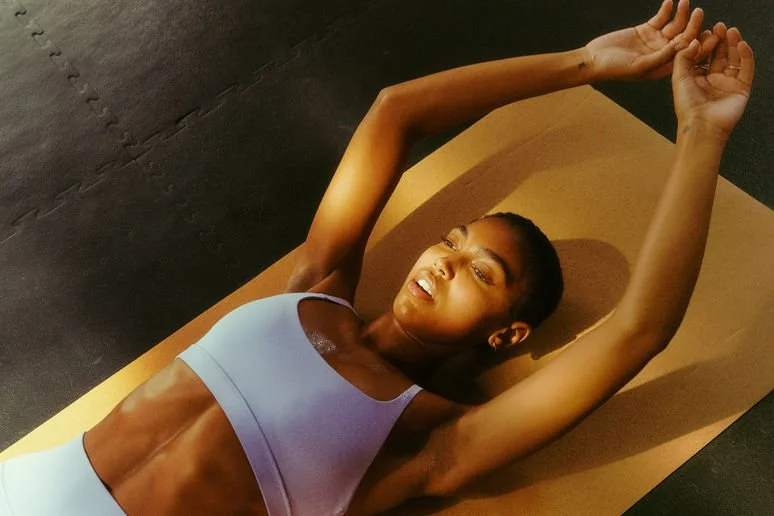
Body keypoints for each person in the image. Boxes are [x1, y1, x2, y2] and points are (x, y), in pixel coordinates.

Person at [0, 1, 754, 514]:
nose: (447, 261)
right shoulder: (315, 288)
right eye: (455, 241)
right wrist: (584, 63)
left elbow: (638, 331)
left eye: (483, 273)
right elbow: (397, 113)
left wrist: (702, 136)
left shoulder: (426, 438)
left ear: (507, 334)